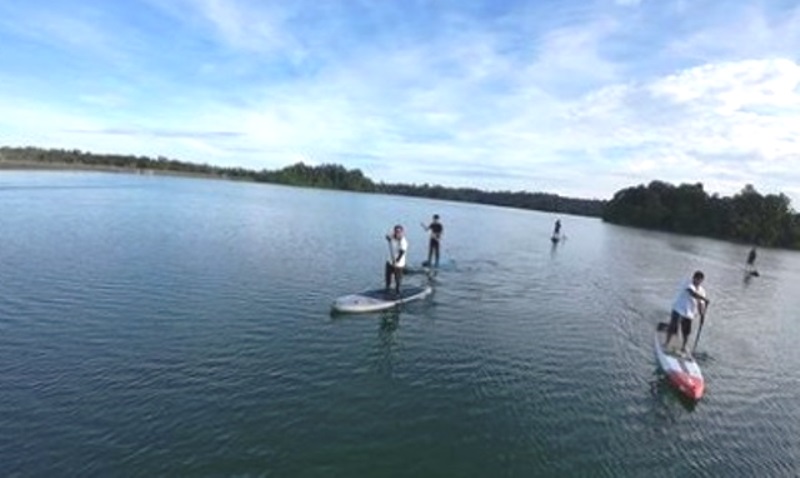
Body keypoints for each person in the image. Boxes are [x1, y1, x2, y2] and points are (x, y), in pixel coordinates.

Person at [665, 271, 711, 353]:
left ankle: (683, 347)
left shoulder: (702, 291)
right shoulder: (687, 283)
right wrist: (704, 299)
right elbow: (692, 293)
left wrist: (702, 315)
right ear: (694, 278)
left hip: (689, 314)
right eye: (697, 279)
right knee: (673, 328)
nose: (698, 281)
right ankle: (666, 343)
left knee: (686, 332)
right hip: (678, 309)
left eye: (700, 280)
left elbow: (700, 304)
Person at [385, 225, 407, 295]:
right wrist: (388, 238)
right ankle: (387, 288)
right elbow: (388, 236)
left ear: (402, 232)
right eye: (396, 231)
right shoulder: (393, 236)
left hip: (399, 264)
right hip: (390, 261)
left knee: (397, 279)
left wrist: (397, 261)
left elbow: (402, 252)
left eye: (399, 232)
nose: (397, 233)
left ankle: (398, 292)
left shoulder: (403, 241)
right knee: (388, 276)